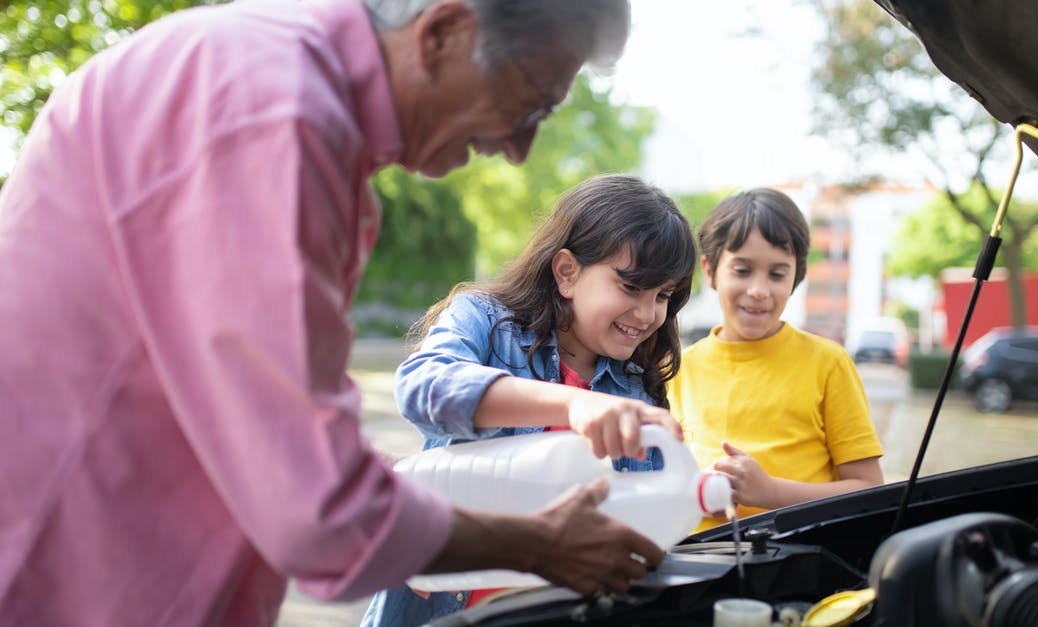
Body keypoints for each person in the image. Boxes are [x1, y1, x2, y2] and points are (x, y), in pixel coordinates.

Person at [0, 1, 665, 625]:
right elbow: (322, 509)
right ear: (443, 34)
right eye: (526, 103)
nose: (518, 147)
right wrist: (540, 543)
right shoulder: (273, 114)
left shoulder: (286, 95)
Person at [361, 173, 696, 625]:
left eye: (664, 296)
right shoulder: (485, 321)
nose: (648, 313)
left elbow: (638, 522)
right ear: (567, 272)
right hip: (439, 605)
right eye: (632, 287)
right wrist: (571, 404)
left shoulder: (637, 389)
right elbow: (425, 385)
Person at [666, 188, 884, 531]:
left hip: (798, 560)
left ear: (797, 276)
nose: (758, 290)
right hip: (696, 558)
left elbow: (868, 490)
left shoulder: (828, 363)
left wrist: (768, 491)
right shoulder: (677, 368)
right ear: (709, 271)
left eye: (777, 274)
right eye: (742, 270)